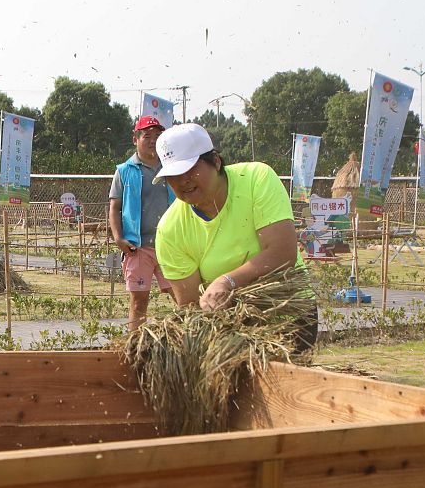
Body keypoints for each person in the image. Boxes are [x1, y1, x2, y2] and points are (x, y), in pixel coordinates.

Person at [151, 122, 317, 351]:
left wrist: (227, 281)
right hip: (230, 332)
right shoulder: (170, 230)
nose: (182, 181)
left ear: (216, 161)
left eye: (190, 170)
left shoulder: (256, 179)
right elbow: (190, 306)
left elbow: (283, 254)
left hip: (289, 314)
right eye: (173, 176)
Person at [108, 114, 176, 330]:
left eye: (158, 136)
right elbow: (115, 207)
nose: (153, 140)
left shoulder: (172, 168)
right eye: (147, 136)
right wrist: (118, 238)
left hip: (171, 245)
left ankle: (190, 341)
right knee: (139, 302)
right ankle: (134, 345)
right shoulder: (125, 171)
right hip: (138, 247)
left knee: (182, 295)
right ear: (135, 139)